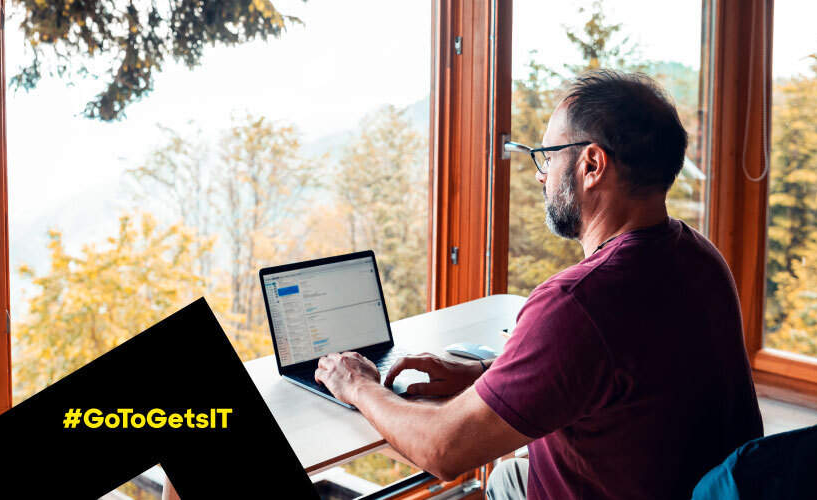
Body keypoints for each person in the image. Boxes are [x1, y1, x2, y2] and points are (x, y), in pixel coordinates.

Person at [313, 69, 764, 500]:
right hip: (689, 488)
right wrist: (485, 375)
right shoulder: (701, 258)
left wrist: (357, 385)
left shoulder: (578, 303)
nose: (540, 175)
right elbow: (621, 381)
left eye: (547, 157)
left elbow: (443, 451)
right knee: (510, 475)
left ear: (591, 164)